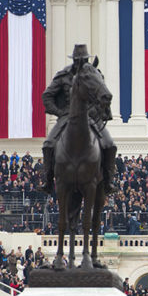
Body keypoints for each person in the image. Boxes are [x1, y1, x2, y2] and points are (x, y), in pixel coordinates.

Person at [41, 44, 117, 195]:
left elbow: (103, 96)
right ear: (74, 60)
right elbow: (47, 96)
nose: (80, 63)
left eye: (83, 60)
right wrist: (59, 112)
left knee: (110, 145)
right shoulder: (63, 75)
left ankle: (108, 182)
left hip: (92, 117)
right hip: (67, 117)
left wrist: (97, 111)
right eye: (78, 60)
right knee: (48, 145)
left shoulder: (95, 74)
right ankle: (48, 181)